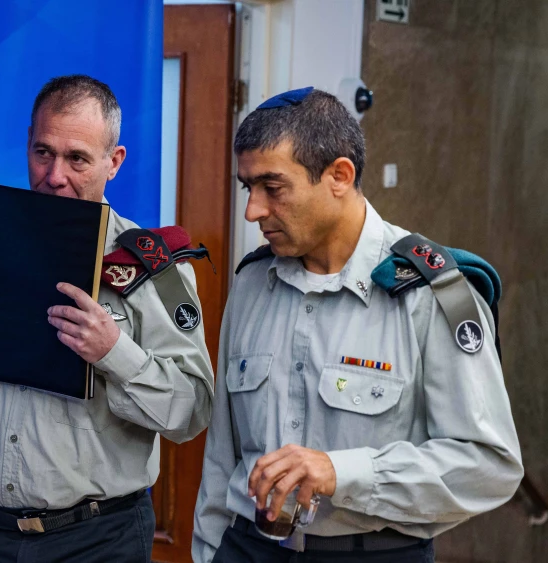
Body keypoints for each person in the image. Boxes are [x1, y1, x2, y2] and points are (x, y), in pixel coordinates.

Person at [0, 74, 215, 563]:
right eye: (43, 153)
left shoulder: (153, 269)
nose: (55, 175)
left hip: (98, 541)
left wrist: (114, 352)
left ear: (114, 162)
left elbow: (192, 412)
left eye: (77, 158)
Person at [191, 87, 523, 562]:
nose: (253, 211)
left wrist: (342, 472)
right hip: (247, 548)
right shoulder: (251, 283)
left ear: (339, 176)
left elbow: (489, 465)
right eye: (249, 188)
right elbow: (223, 457)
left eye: (273, 188)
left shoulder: (432, 292)